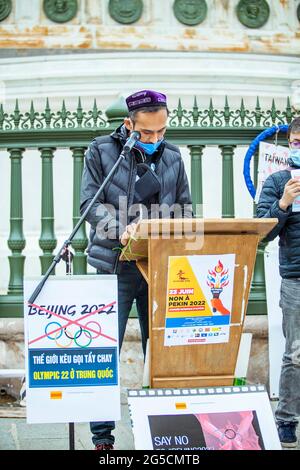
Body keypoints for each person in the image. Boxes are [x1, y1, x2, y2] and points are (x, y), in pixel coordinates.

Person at [80, 90, 192, 449]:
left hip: (160, 264)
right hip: (115, 262)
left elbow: (186, 209)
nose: (156, 139)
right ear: (129, 125)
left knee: (158, 348)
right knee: (104, 350)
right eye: (147, 133)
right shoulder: (101, 151)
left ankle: (159, 428)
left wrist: (169, 228)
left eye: (162, 131)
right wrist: (121, 228)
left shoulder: (173, 155)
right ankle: (102, 437)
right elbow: (90, 205)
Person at [257, 116, 300, 448]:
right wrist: (284, 202)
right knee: (296, 353)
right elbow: (262, 232)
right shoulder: (277, 180)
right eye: (297, 143)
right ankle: (286, 419)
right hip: (296, 278)